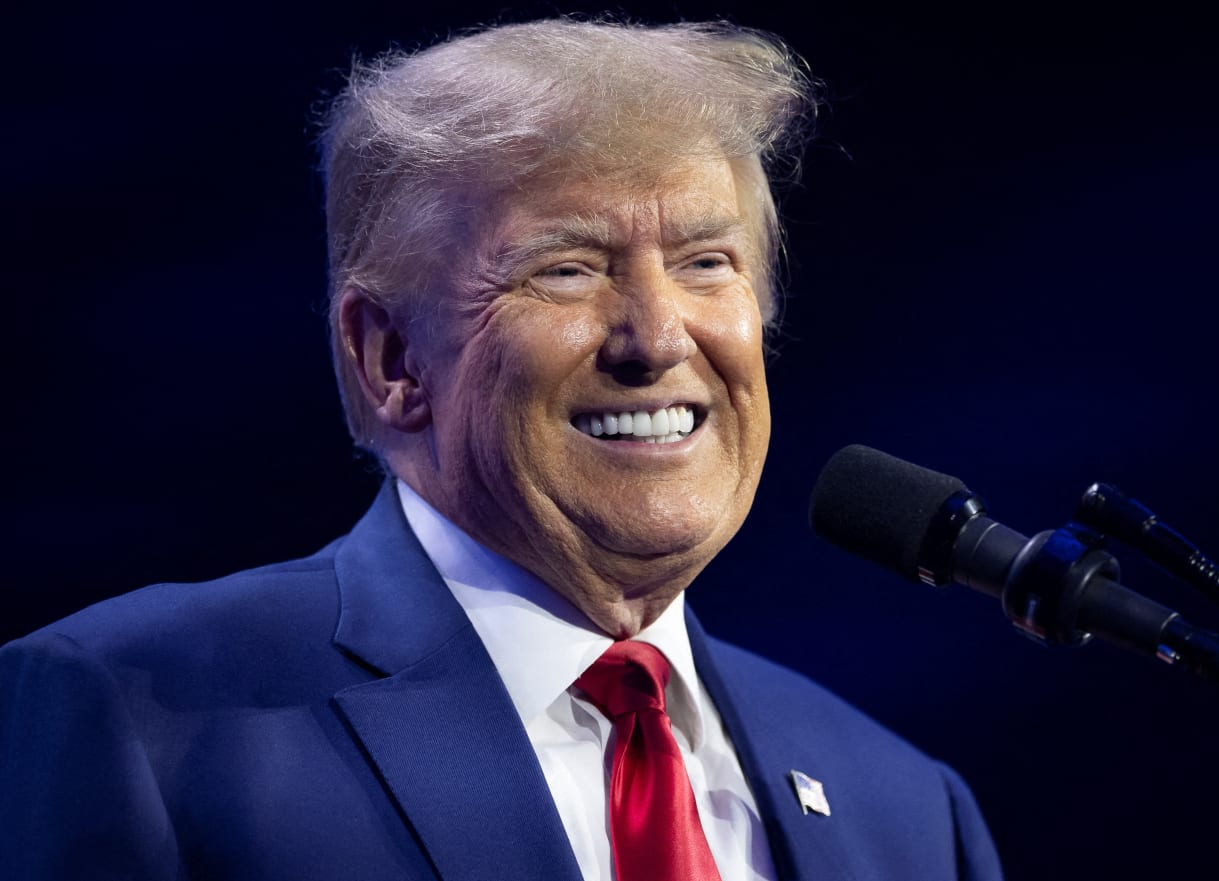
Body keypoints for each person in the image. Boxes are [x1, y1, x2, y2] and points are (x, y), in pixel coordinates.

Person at [0, 18, 1003, 881]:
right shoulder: (135, 713)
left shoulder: (909, 811)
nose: (656, 338)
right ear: (392, 356)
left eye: (706, 262)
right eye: (565, 269)